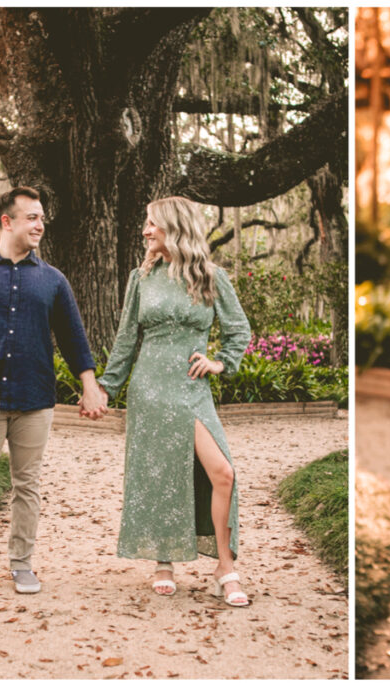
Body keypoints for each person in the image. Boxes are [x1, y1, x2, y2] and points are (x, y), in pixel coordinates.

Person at [0, 186, 106, 595]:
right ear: (6, 222)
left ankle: (22, 564)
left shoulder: (52, 280)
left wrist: (90, 386)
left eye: (42, 218)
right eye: (32, 217)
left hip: (34, 401)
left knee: (28, 486)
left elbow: (74, 338)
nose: (40, 225)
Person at [96, 196, 252, 606]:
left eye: (152, 223)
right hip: (149, 389)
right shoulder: (142, 278)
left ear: (175, 226)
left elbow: (239, 329)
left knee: (222, 473)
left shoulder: (212, 277)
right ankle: (163, 561)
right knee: (160, 473)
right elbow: (126, 339)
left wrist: (220, 362)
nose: (145, 231)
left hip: (190, 389)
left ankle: (224, 567)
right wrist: (106, 387)